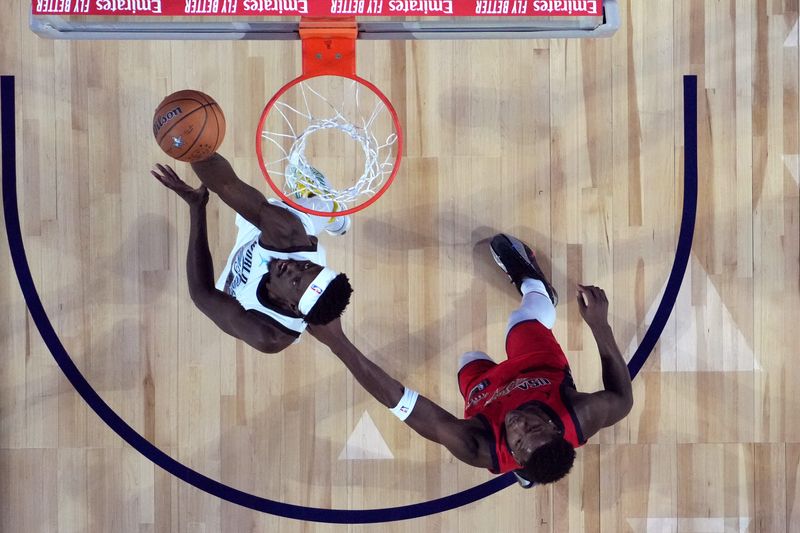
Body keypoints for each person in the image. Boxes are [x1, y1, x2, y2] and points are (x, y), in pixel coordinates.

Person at [308, 233, 633, 487]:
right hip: (539, 368)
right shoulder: (582, 415)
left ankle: (528, 475)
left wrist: (338, 343)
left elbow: (398, 400)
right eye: (532, 426)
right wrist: (599, 324)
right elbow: (622, 398)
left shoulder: (476, 447)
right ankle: (535, 286)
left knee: (469, 359)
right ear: (553, 427)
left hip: (487, 397)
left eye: (518, 440)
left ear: (516, 456)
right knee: (521, 322)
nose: (518, 423)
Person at [151, 154, 353, 353]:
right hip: (275, 238)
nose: (292, 267)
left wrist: (197, 208)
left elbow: (201, 293)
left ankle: (329, 211)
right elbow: (226, 184)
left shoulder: (268, 333)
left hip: (241, 285)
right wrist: (195, 147)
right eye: (307, 266)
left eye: (295, 281)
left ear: (292, 306)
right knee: (301, 213)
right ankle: (332, 210)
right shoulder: (288, 236)